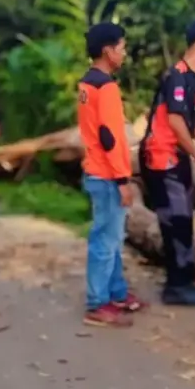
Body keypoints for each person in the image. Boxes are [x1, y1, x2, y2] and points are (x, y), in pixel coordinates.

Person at [139, 19, 195, 307]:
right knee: (176, 222)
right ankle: (176, 286)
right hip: (162, 159)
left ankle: (185, 276)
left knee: (184, 218)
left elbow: (191, 122)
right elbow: (175, 122)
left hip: (177, 158)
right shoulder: (175, 76)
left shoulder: (191, 80)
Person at [78, 22, 147, 328]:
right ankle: (97, 302)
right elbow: (109, 138)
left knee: (113, 237)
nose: (124, 53)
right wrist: (122, 180)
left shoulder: (87, 83)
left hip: (96, 170)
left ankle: (116, 292)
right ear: (108, 51)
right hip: (107, 175)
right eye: (122, 47)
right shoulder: (105, 87)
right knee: (105, 241)